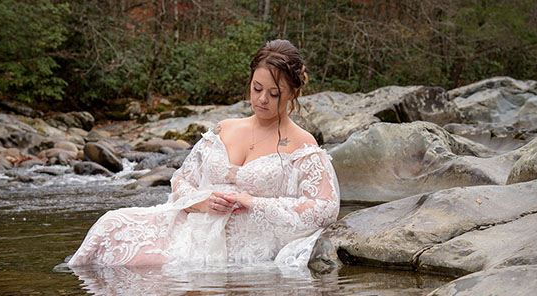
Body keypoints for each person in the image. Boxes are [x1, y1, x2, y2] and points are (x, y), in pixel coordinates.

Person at [67, 39, 340, 269]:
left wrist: (254, 202)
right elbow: (180, 182)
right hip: (193, 226)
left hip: (242, 245)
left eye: (274, 93)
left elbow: (324, 209)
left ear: (294, 92)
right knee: (111, 224)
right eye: (256, 89)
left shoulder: (303, 145)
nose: (261, 100)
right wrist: (203, 201)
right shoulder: (224, 129)